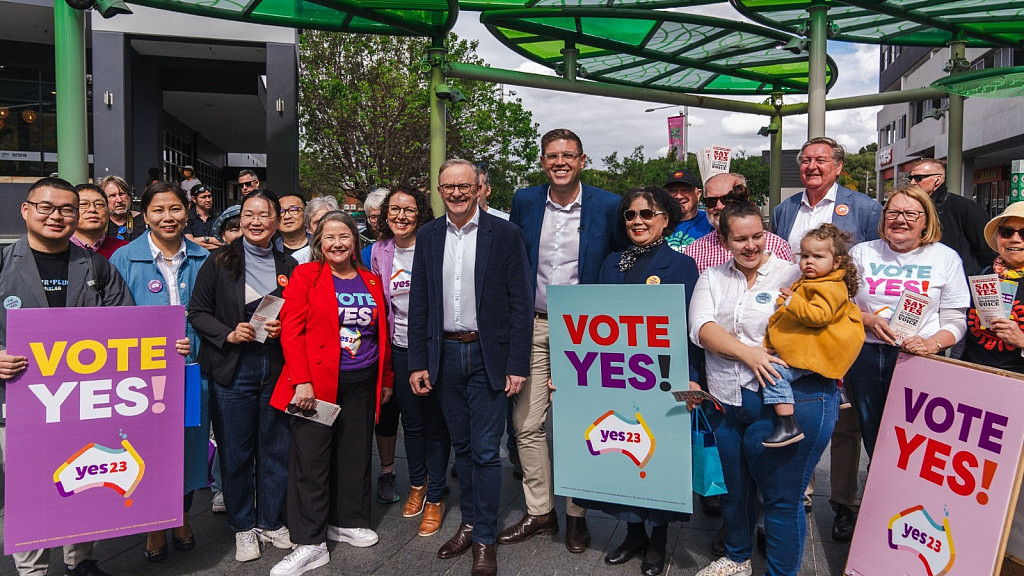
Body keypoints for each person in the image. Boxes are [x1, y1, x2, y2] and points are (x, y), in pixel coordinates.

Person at [690, 201, 837, 576]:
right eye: (740, 239)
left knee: (781, 500)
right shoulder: (712, 277)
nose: (751, 245)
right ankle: (738, 558)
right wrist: (749, 354)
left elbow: (834, 311)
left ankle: (780, 571)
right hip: (725, 401)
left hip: (777, 404)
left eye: (757, 235)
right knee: (734, 492)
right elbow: (702, 328)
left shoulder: (793, 273)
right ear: (724, 240)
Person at [0, 177, 133, 576]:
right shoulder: (4, 262)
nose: (57, 217)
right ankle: (32, 569)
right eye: (46, 207)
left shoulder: (95, 265)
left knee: (82, 476)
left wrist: (163, 346)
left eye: (66, 209)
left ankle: (81, 561)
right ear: (26, 210)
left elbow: (128, 325)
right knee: (27, 486)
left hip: (81, 399)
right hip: (18, 397)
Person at [408, 159, 533, 576]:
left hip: (488, 355)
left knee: (484, 451)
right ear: (439, 191)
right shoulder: (427, 236)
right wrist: (418, 362)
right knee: (461, 448)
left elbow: (521, 303)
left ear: (481, 188)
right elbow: (420, 302)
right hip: (443, 353)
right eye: (449, 188)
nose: (457, 194)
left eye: (465, 186)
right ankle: (468, 521)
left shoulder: (506, 233)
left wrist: (517, 363)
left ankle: (483, 538)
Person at [504, 128, 625, 553]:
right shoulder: (525, 200)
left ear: (582, 160)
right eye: (552, 155)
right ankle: (540, 511)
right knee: (526, 424)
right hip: (534, 326)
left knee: (579, 424)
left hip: (586, 331)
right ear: (542, 161)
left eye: (568, 155)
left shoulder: (608, 205)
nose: (560, 162)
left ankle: (577, 514)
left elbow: (620, 261)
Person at [267, 211, 394, 576]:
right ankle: (309, 542)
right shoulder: (306, 276)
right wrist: (301, 381)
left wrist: (385, 379)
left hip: (362, 382)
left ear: (355, 241)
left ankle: (348, 520)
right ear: (319, 243)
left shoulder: (371, 279)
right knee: (311, 461)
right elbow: (290, 332)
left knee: (354, 455)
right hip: (316, 385)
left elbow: (379, 333)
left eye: (345, 236)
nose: (337, 243)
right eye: (329, 237)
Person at [771, 136, 883, 542]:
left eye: (820, 159)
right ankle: (800, 490)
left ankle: (842, 503)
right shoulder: (785, 209)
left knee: (845, 423)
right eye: (805, 160)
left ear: (838, 166)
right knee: (797, 412)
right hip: (800, 333)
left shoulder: (866, 207)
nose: (812, 166)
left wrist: (859, 316)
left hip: (839, 331)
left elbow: (870, 266)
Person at [589, 186, 700, 576]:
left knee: (659, 457)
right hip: (617, 378)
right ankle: (634, 531)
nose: (638, 221)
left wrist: (691, 382)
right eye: (631, 215)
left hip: (664, 378)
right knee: (625, 452)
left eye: (647, 214)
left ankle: (658, 539)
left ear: (665, 219)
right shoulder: (611, 262)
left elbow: (687, 329)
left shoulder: (682, 266)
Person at [188, 190, 297, 562]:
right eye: (248, 214)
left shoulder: (289, 266)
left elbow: (299, 316)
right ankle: (242, 525)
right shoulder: (219, 262)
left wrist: (286, 328)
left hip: (276, 367)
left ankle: (270, 520)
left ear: (276, 220)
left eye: (264, 214)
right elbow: (197, 312)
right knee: (236, 450)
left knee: (276, 447)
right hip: (233, 368)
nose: (255, 221)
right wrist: (228, 333)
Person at [109, 181, 210, 563]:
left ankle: (181, 517)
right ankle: (154, 525)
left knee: (186, 450)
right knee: (146, 451)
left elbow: (214, 314)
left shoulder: (203, 258)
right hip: (140, 379)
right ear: (145, 215)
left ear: (186, 211)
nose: (168, 218)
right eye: (158, 210)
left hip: (191, 373)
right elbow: (113, 322)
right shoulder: (123, 258)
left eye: (175, 209)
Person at [846, 184, 969, 458]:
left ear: (926, 220)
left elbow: (956, 319)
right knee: (873, 435)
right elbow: (841, 306)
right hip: (864, 355)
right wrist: (866, 319)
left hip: (918, 358)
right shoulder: (862, 253)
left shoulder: (945, 258)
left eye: (911, 214)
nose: (900, 220)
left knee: (913, 439)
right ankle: (878, 491)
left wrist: (931, 343)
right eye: (893, 212)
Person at [367, 187, 450, 534]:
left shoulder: (433, 246)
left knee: (435, 424)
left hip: (432, 349)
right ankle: (417, 484)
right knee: (411, 425)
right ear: (386, 215)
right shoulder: (378, 252)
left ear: (421, 215)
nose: (401, 216)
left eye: (409, 210)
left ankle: (435, 493)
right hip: (397, 348)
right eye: (395, 209)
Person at [762, 224, 864, 448]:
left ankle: (787, 424)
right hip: (820, 349)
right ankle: (840, 392)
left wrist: (792, 301)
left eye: (818, 256)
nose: (809, 261)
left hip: (814, 353)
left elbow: (818, 316)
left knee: (774, 373)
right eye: (805, 255)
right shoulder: (817, 281)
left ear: (836, 261)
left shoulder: (828, 286)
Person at [684, 173, 792, 274]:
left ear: (745, 199)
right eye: (711, 201)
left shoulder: (777, 246)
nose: (719, 206)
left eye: (726, 199)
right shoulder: (694, 251)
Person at [909, 158, 995, 277]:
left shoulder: (966, 208)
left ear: (937, 180)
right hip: (920, 278)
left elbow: (987, 250)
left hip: (959, 281)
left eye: (918, 178)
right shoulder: (909, 207)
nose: (912, 182)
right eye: (911, 178)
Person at [71, 183, 127, 258]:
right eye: (83, 204)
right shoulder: (58, 248)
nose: (92, 209)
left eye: (99, 204)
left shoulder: (124, 250)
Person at [664, 169, 713, 251]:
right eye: (672, 191)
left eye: (686, 190)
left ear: (698, 194)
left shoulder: (711, 222)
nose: (679, 196)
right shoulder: (657, 221)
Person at [292, 196, 339, 265]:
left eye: (328, 221)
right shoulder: (298, 259)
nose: (323, 226)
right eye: (317, 223)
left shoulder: (348, 254)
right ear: (309, 228)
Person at [101, 175, 146, 241]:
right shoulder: (100, 224)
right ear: (104, 200)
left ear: (129, 197)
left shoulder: (144, 221)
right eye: (112, 196)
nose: (119, 200)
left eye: (121, 194)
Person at [184, 184, 222, 251]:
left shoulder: (218, 216)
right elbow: (189, 242)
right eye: (203, 197)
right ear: (194, 199)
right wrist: (216, 244)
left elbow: (225, 240)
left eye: (209, 196)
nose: (208, 200)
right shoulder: (187, 217)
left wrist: (204, 239)